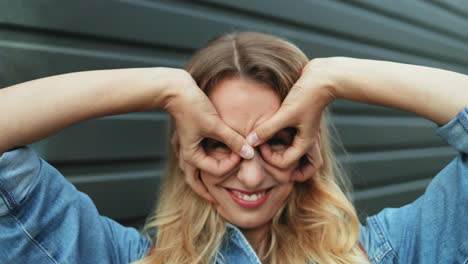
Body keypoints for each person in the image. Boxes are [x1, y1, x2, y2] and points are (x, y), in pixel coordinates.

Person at [0, 32, 466, 264]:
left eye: (277, 141)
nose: (250, 175)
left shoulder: (390, 252)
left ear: (309, 147)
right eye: (219, 143)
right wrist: (164, 88)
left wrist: (334, 77)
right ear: (186, 151)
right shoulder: (115, 256)